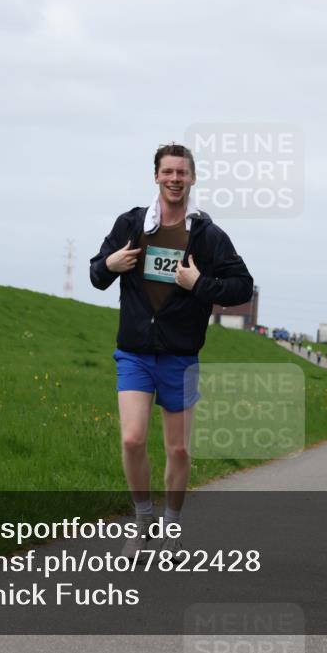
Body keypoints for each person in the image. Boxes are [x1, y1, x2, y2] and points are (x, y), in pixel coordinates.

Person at [89, 143, 253, 559]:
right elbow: (96, 273)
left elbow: (241, 286)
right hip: (135, 353)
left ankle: (172, 529)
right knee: (131, 439)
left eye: (182, 172)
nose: (175, 179)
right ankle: (142, 520)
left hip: (181, 357)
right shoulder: (131, 224)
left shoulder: (208, 235)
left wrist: (198, 284)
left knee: (178, 449)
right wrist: (111, 264)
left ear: (193, 179)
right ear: (156, 177)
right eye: (168, 172)